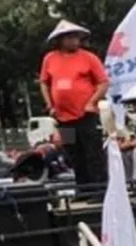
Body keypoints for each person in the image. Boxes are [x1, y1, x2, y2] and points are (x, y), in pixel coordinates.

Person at [39, 20, 110, 186]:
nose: (74, 40)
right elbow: (44, 82)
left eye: (76, 37)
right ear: (60, 40)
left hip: (86, 115)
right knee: (73, 154)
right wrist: (50, 105)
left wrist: (92, 102)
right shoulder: (50, 58)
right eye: (69, 37)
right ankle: (82, 187)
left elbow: (103, 83)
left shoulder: (89, 58)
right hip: (63, 117)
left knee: (92, 152)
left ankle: (98, 188)